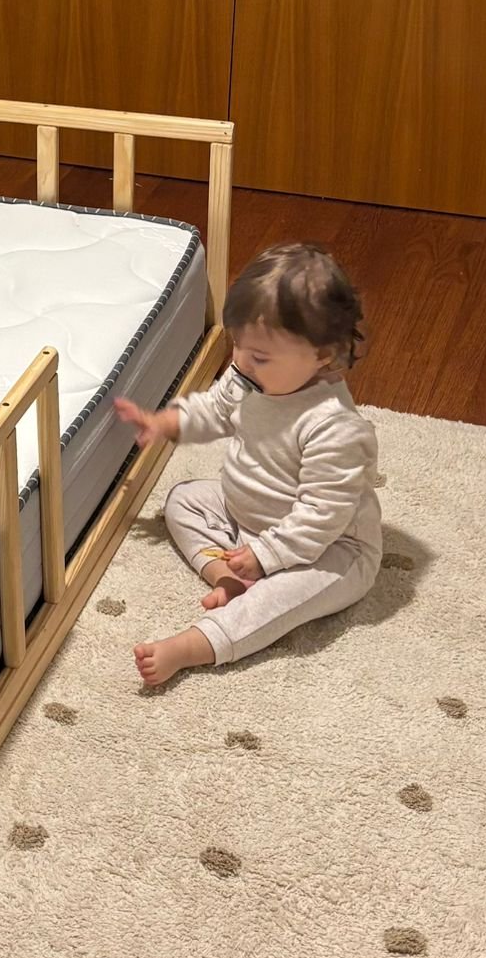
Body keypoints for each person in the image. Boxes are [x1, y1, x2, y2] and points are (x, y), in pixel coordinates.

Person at [114, 243, 381, 689]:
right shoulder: (248, 378)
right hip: (250, 520)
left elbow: (322, 515)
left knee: (279, 599)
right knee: (182, 500)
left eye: (260, 357)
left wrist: (266, 556)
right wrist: (167, 422)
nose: (240, 361)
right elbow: (215, 409)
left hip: (330, 547)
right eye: (238, 344)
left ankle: (193, 645)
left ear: (323, 354)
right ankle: (226, 576)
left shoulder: (334, 428)